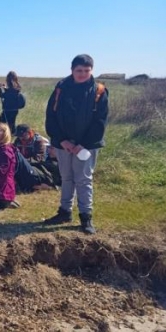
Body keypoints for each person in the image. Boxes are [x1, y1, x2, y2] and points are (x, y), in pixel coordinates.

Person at [43, 54, 109, 235]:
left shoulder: (99, 91)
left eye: (86, 71)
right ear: (72, 70)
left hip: (86, 146)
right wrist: (61, 140)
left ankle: (86, 217)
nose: (82, 74)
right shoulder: (61, 88)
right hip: (63, 143)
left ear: (92, 70)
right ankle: (64, 212)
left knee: (84, 179)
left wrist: (83, 144)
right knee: (66, 178)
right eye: (79, 70)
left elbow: (100, 122)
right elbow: (51, 116)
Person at [0, 71, 25, 135]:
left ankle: (6, 135)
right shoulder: (17, 88)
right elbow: (10, 92)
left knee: (1, 123)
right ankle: (13, 134)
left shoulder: (9, 89)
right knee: (11, 123)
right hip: (15, 110)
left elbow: (2, 95)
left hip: (7, 109)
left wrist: (0, 88)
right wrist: (4, 88)